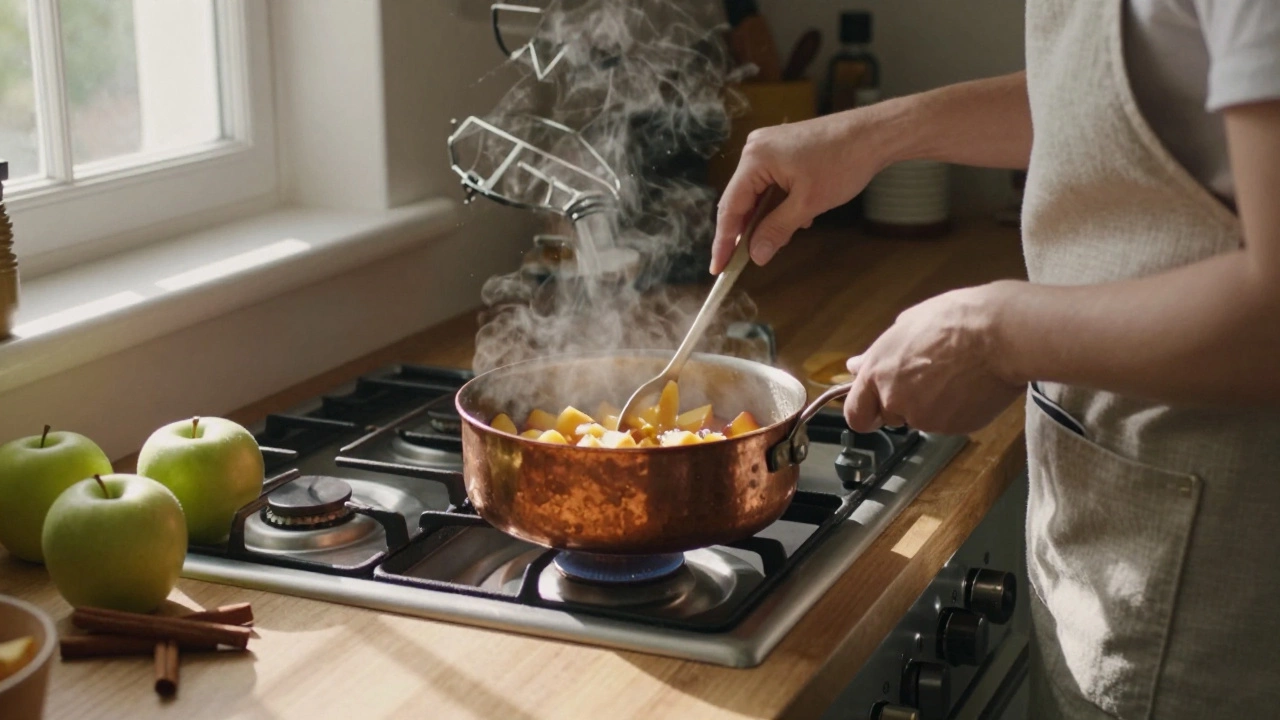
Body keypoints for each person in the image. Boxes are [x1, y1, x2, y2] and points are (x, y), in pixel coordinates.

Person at [711, 1, 1280, 717]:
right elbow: (1132, 95)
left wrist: (994, 335)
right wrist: (873, 134)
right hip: (1118, 549)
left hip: (1228, 606)